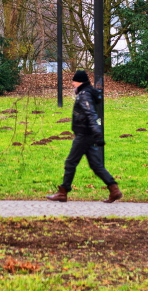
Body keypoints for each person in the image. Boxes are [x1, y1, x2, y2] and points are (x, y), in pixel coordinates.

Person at [46, 69, 122, 203]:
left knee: (70, 162)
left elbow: (90, 114)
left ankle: (63, 192)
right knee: (96, 165)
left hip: (83, 135)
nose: (73, 84)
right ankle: (114, 189)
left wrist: (98, 134)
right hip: (88, 134)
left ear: (79, 82)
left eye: (74, 81)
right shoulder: (85, 93)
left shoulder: (84, 95)